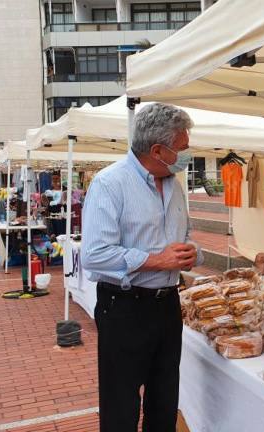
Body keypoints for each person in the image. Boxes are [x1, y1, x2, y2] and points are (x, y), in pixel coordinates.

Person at [82, 103, 204, 432]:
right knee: (121, 406)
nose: (187, 153)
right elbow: (94, 254)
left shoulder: (175, 185)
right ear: (158, 150)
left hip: (168, 305)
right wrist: (156, 260)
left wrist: (192, 253)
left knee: (164, 400)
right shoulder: (110, 184)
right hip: (125, 307)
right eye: (182, 147)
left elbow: (185, 237)